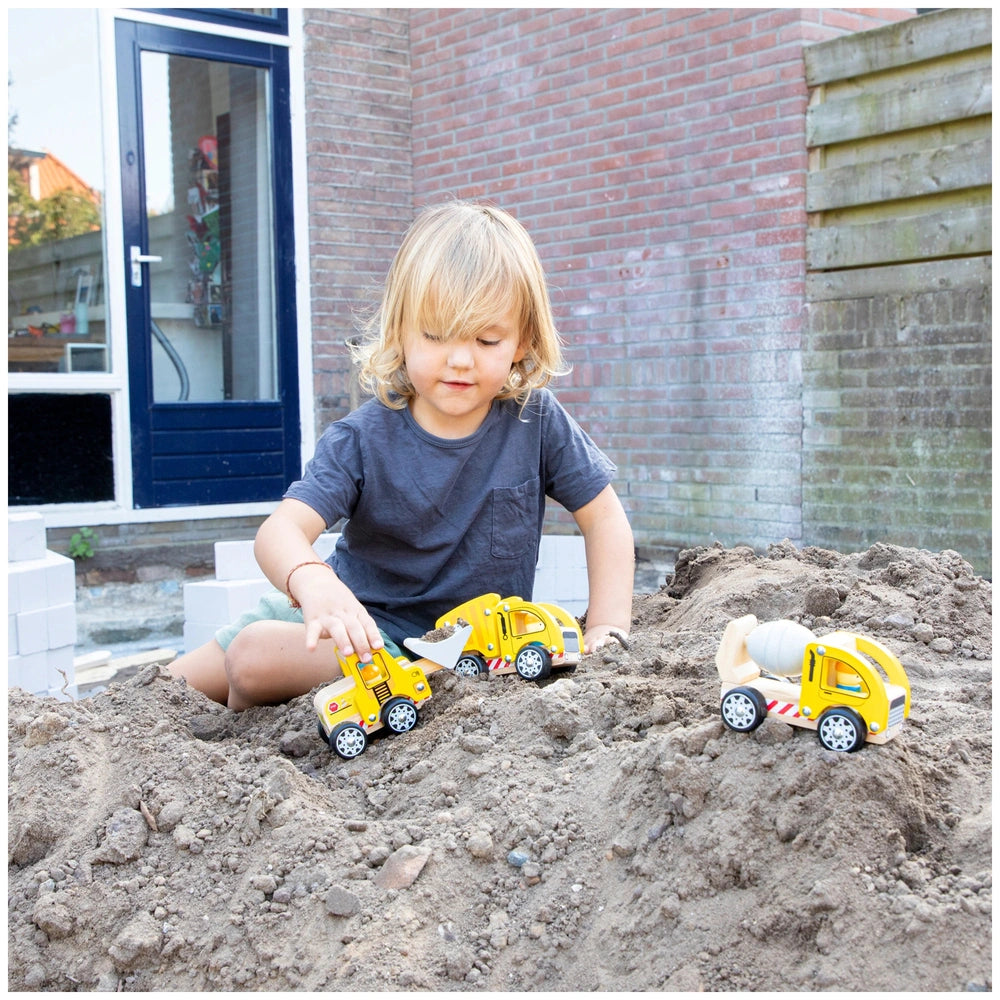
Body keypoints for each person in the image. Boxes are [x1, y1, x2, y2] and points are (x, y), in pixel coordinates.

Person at [169, 201, 634, 710]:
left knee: (254, 661)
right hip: (343, 620)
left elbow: (605, 518)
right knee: (168, 687)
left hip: (457, 647)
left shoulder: (536, 421)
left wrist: (607, 627)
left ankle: (261, 710)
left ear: (522, 340)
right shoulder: (363, 437)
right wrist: (314, 582)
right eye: (435, 335)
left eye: (486, 338)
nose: (460, 359)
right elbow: (278, 533)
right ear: (400, 331)